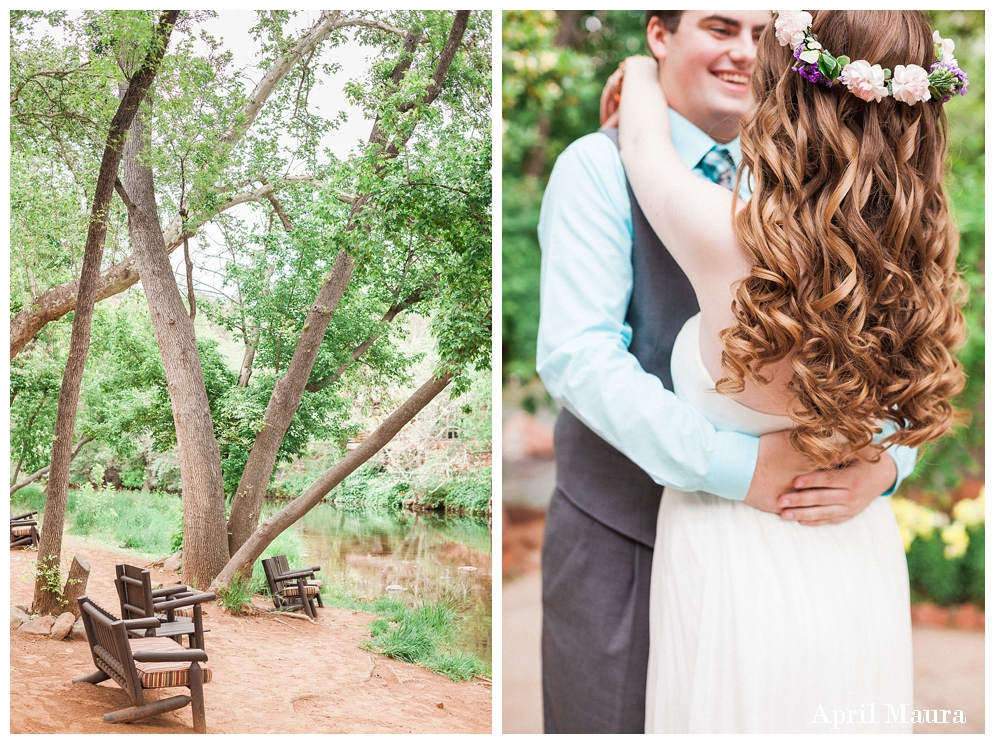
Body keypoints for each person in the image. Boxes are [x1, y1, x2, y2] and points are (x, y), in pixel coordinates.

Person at [536, 10, 921, 735]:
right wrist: (735, 468)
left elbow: (901, 356)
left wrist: (889, 461)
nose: (743, 53)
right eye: (719, 27)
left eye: (761, 35)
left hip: (794, 541)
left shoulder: (819, 185)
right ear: (659, 34)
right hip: (620, 533)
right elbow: (577, 357)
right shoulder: (596, 165)